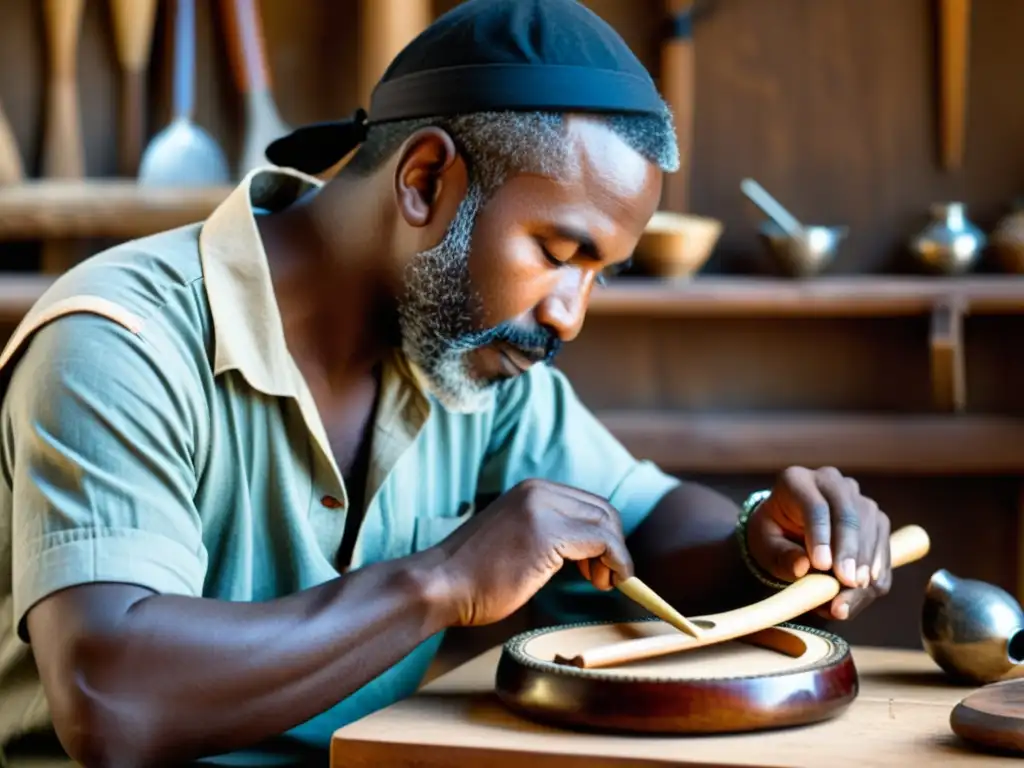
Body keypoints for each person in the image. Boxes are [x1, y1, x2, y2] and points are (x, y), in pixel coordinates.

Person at [0, 0, 894, 765]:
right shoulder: (122, 342)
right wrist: (441, 581)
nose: (569, 314)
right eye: (558, 252)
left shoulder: (466, 358)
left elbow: (646, 522)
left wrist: (760, 543)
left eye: (600, 274)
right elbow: (111, 699)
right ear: (426, 181)